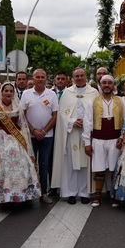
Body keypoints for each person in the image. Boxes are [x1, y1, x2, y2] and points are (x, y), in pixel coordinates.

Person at [0, 82, 41, 209]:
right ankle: (5, 198)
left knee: (21, 168)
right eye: (6, 91)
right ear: (1, 92)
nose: (8, 93)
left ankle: (21, 196)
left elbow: (23, 126)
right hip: (1, 141)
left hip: (16, 141)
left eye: (11, 91)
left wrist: (26, 145)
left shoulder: (18, 107)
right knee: (2, 170)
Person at [51, 68, 98, 204]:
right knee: (70, 164)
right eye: (76, 76)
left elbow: (96, 111)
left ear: (86, 76)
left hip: (87, 132)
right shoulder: (67, 92)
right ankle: (70, 192)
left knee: (85, 163)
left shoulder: (93, 92)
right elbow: (61, 114)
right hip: (71, 132)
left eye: (82, 75)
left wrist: (87, 122)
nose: (79, 78)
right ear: (72, 78)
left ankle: (84, 192)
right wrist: (72, 122)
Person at [82, 75, 124, 207]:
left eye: (109, 83)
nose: (107, 85)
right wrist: (87, 143)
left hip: (115, 140)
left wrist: (122, 138)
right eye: (104, 83)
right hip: (98, 140)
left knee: (114, 169)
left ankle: (114, 195)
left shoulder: (121, 101)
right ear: (100, 84)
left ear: (113, 85)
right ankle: (97, 195)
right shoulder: (92, 101)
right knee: (99, 168)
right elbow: (87, 122)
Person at [21, 69, 58, 204]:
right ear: (33, 78)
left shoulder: (52, 94)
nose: (40, 79)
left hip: (47, 136)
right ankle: (29, 194)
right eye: (38, 77)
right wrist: (33, 130)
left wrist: (43, 131)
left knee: (43, 164)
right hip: (30, 136)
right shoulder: (26, 94)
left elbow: (55, 116)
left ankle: (44, 193)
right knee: (30, 164)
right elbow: (22, 115)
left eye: (43, 77)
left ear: (46, 78)